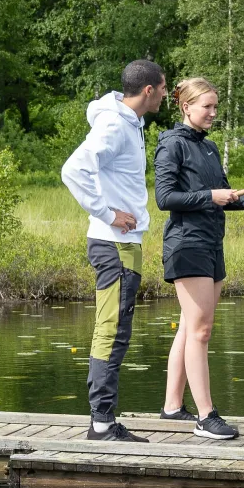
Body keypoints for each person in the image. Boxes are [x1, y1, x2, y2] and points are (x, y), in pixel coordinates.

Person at [154, 77, 244, 440]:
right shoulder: (172, 146)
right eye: (206, 106)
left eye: (215, 107)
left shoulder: (208, 149)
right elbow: (165, 198)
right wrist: (210, 195)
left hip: (212, 244)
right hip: (186, 244)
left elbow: (231, 197)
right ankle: (206, 417)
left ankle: (172, 408)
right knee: (201, 330)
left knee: (190, 326)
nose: (212, 113)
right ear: (186, 107)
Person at [61, 59, 168, 442]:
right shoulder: (113, 124)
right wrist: (106, 212)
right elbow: (73, 169)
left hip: (125, 245)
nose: (168, 94)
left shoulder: (130, 124)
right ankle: (102, 425)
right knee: (111, 332)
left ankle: (104, 421)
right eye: (165, 88)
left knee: (117, 330)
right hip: (114, 245)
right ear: (149, 90)